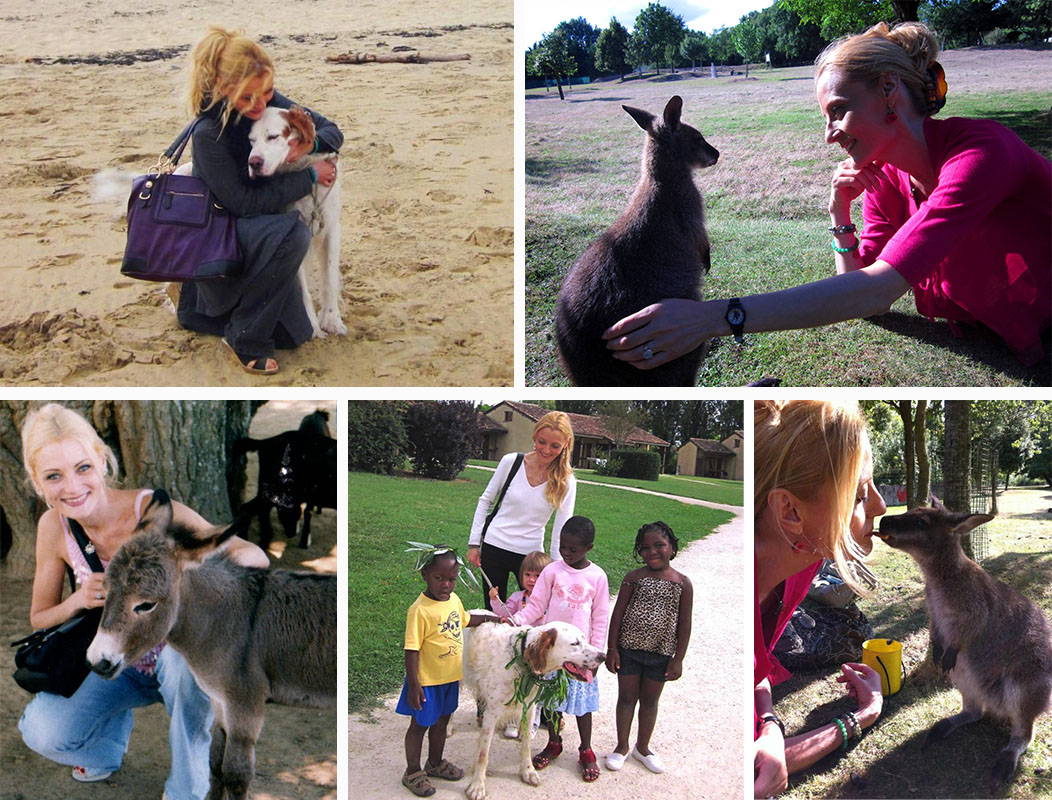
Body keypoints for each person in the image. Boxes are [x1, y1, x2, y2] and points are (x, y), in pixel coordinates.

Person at [604, 21, 1050, 373]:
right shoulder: (885, 177)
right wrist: (839, 212)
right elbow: (860, 291)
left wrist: (713, 318)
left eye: (838, 110)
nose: (828, 135)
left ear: (888, 90)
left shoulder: (979, 154)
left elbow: (873, 293)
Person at [16, 403, 268, 800]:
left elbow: (254, 557)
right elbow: (39, 617)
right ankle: (106, 748)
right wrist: (79, 599)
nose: (72, 486)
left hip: (176, 658)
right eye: (53, 476)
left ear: (101, 461)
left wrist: (183, 575)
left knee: (182, 667)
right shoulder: (53, 528)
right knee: (41, 732)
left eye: (82, 467)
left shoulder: (155, 515)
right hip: (114, 657)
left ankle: (187, 789)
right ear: (38, 483)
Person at [177, 26, 342, 375]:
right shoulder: (209, 134)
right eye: (249, 98)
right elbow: (245, 206)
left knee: (294, 335)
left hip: (255, 236)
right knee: (292, 233)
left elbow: (333, 130)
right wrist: (309, 176)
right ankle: (243, 338)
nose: (262, 104)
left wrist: (308, 145)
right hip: (220, 244)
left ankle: (216, 310)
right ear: (224, 88)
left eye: (267, 92)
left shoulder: (265, 101)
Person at [753, 400, 888, 798]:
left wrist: (770, 724)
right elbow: (755, 771)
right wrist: (861, 716)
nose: (880, 506)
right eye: (860, 496)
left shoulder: (800, 566)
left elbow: (756, 670)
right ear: (790, 510)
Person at [505, 516, 610, 783]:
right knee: (551, 700)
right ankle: (554, 742)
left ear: (589, 548)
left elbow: (599, 617)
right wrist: (516, 621)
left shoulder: (597, 577)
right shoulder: (552, 571)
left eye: (572, 549)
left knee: (582, 704)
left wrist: (596, 654)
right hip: (554, 654)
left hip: (580, 654)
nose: (565, 553)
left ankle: (586, 749)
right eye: (562, 546)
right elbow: (536, 606)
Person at [396, 546, 498, 797]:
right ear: (425, 574)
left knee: (442, 723)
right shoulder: (419, 610)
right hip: (427, 682)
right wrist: (415, 684)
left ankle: (435, 763)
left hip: (450, 679)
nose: (445, 585)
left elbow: (464, 619)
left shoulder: (453, 601)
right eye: (438, 578)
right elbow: (411, 650)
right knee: (420, 725)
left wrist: (490, 619)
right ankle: (412, 771)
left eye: (451, 579)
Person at [605, 521, 693, 775]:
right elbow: (618, 613)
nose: (652, 551)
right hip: (629, 650)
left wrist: (678, 659)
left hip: (661, 654)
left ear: (673, 548)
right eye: (645, 548)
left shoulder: (682, 583)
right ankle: (622, 747)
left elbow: (685, 623)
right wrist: (613, 649)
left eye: (659, 545)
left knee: (650, 702)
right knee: (626, 698)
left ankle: (642, 748)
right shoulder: (633, 578)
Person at [468, 411, 577, 610]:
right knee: (494, 612)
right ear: (534, 436)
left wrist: (555, 567)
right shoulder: (511, 462)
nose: (546, 450)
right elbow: (485, 501)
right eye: (542, 442)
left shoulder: (566, 481)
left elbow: (561, 530)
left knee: (532, 614)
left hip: (530, 557)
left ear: (566, 443)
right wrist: (474, 543)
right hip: (494, 547)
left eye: (555, 445)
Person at [487, 549, 552, 739]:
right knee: (518, 685)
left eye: (538, 576)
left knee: (536, 690)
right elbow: (505, 614)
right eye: (528, 575)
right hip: (520, 651)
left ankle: (531, 723)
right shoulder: (518, 597)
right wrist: (495, 601)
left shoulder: (549, 599)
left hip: (541, 653)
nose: (532, 580)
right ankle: (513, 721)